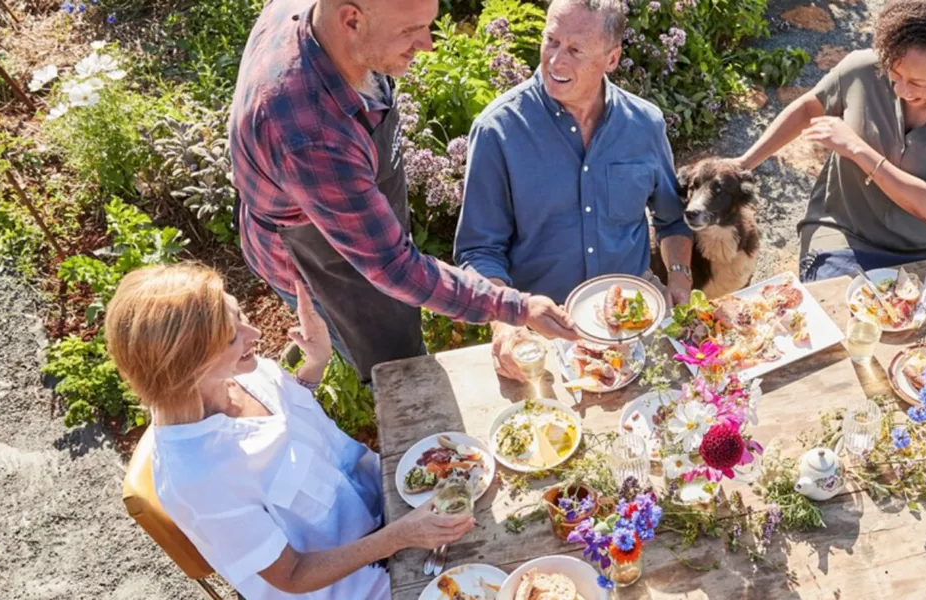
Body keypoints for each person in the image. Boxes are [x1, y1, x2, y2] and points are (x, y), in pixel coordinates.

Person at [229, 0, 578, 385]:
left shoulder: (327, 26)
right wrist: (516, 307)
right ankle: (335, 366)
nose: (427, 45)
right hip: (313, 252)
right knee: (395, 367)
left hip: (331, 201)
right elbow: (394, 266)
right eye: (410, 32)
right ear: (351, 20)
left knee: (400, 314)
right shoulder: (311, 137)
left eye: (428, 25)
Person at [106, 264, 473, 599]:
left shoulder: (240, 374)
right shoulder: (197, 479)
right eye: (232, 337)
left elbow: (284, 431)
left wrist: (315, 365)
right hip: (360, 584)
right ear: (189, 365)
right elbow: (292, 575)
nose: (254, 333)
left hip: (395, 503)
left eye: (241, 315)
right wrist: (401, 537)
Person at [454, 0, 692, 378]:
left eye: (575, 50)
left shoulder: (645, 125)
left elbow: (672, 219)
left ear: (611, 59)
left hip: (635, 318)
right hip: (541, 327)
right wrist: (505, 322)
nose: (555, 61)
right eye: (551, 41)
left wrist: (679, 273)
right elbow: (479, 250)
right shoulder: (497, 131)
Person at [718, 0, 926, 281]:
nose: (900, 89)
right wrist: (743, 163)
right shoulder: (862, 68)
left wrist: (857, 149)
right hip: (844, 233)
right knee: (839, 325)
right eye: (895, 74)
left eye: (916, 83)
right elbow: (810, 108)